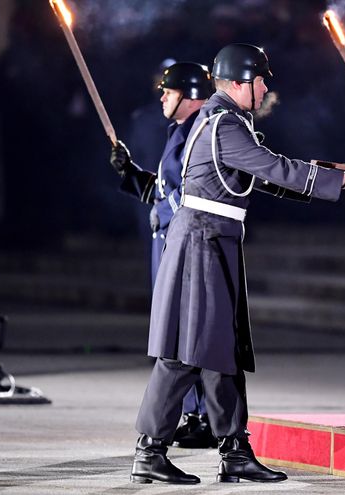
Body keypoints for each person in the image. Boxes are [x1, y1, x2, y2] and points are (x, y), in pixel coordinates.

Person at [129, 43, 345, 484]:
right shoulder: (224, 123)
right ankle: (149, 451)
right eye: (261, 80)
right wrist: (344, 182)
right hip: (202, 241)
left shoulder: (224, 120)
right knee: (186, 352)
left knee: (220, 348)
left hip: (214, 239)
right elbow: (272, 167)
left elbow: (262, 177)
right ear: (239, 82)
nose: (265, 89)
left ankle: (235, 451)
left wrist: (338, 175)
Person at [110, 62, 218, 449]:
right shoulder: (179, 131)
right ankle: (193, 414)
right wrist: (131, 172)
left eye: (168, 92)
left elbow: (193, 191)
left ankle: (205, 416)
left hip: (188, 242)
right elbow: (165, 187)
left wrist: (165, 208)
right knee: (173, 331)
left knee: (190, 331)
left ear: (190, 96)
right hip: (168, 241)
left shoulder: (202, 133)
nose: (161, 97)